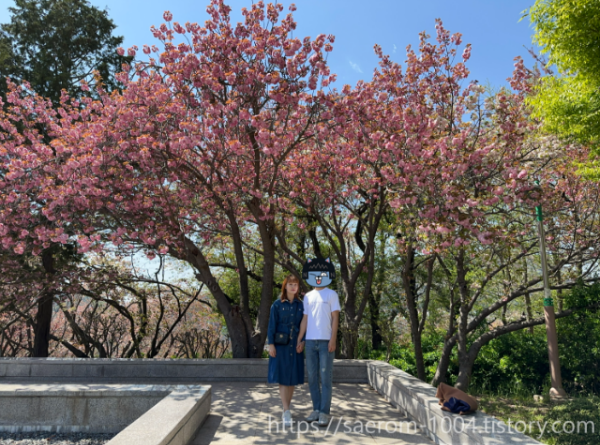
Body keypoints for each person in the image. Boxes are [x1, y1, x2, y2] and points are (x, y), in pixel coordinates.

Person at [297, 257, 340, 427]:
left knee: (325, 377)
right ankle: (315, 409)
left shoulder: (331, 294)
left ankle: (324, 412)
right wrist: (300, 338)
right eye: (315, 274)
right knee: (312, 378)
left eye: (322, 273)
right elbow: (305, 320)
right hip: (310, 342)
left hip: (325, 342)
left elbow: (336, 318)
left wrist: (333, 339)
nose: (319, 277)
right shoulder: (307, 296)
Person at [267, 274, 305, 427]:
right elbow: (271, 325)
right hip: (280, 344)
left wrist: (302, 341)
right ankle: (286, 409)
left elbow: (305, 324)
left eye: (295, 284)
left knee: (292, 378)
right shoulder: (277, 305)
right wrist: (271, 345)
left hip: (295, 343)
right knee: (283, 377)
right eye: (290, 284)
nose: (293, 286)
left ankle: (286, 410)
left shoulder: (301, 305)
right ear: (285, 286)